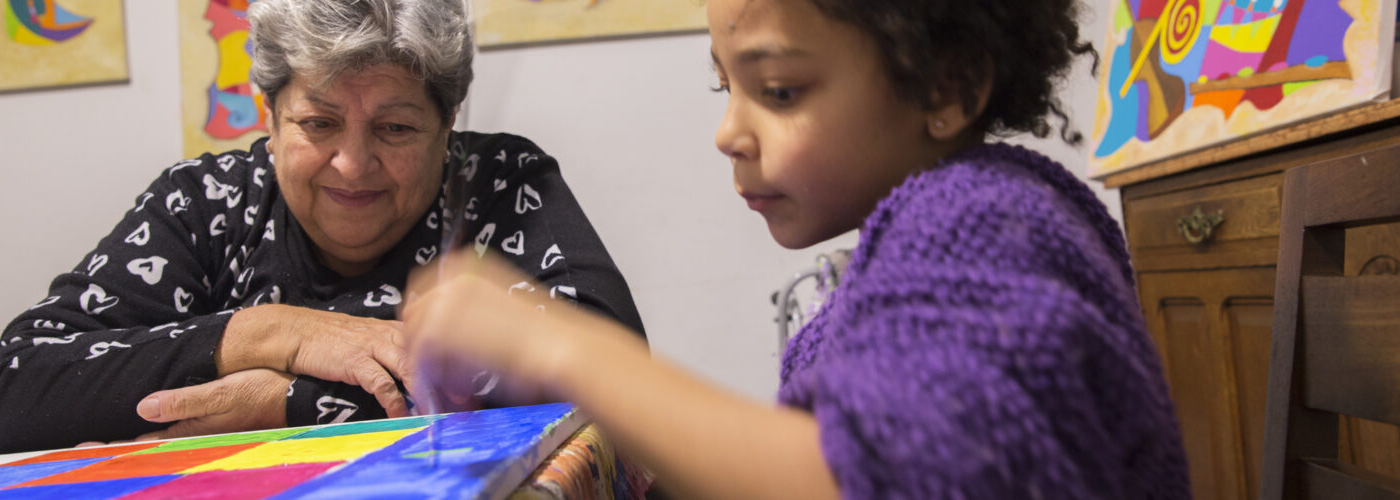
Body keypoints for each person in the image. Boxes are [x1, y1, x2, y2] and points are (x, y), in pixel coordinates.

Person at [400, 0, 1192, 497]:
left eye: (778, 90)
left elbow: (872, 477)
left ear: (948, 87)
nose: (728, 132)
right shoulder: (936, 230)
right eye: (726, 87)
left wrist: (559, 346)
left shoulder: (988, 225)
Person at [0, 0, 644, 455]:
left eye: (396, 128)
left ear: (449, 126)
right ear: (268, 115)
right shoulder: (204, 204)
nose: (352, 164)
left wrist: (287, 402)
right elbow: (13, 392)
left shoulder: (501, 181)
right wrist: (268, 332)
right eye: (318, 123)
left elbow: (614, 365)